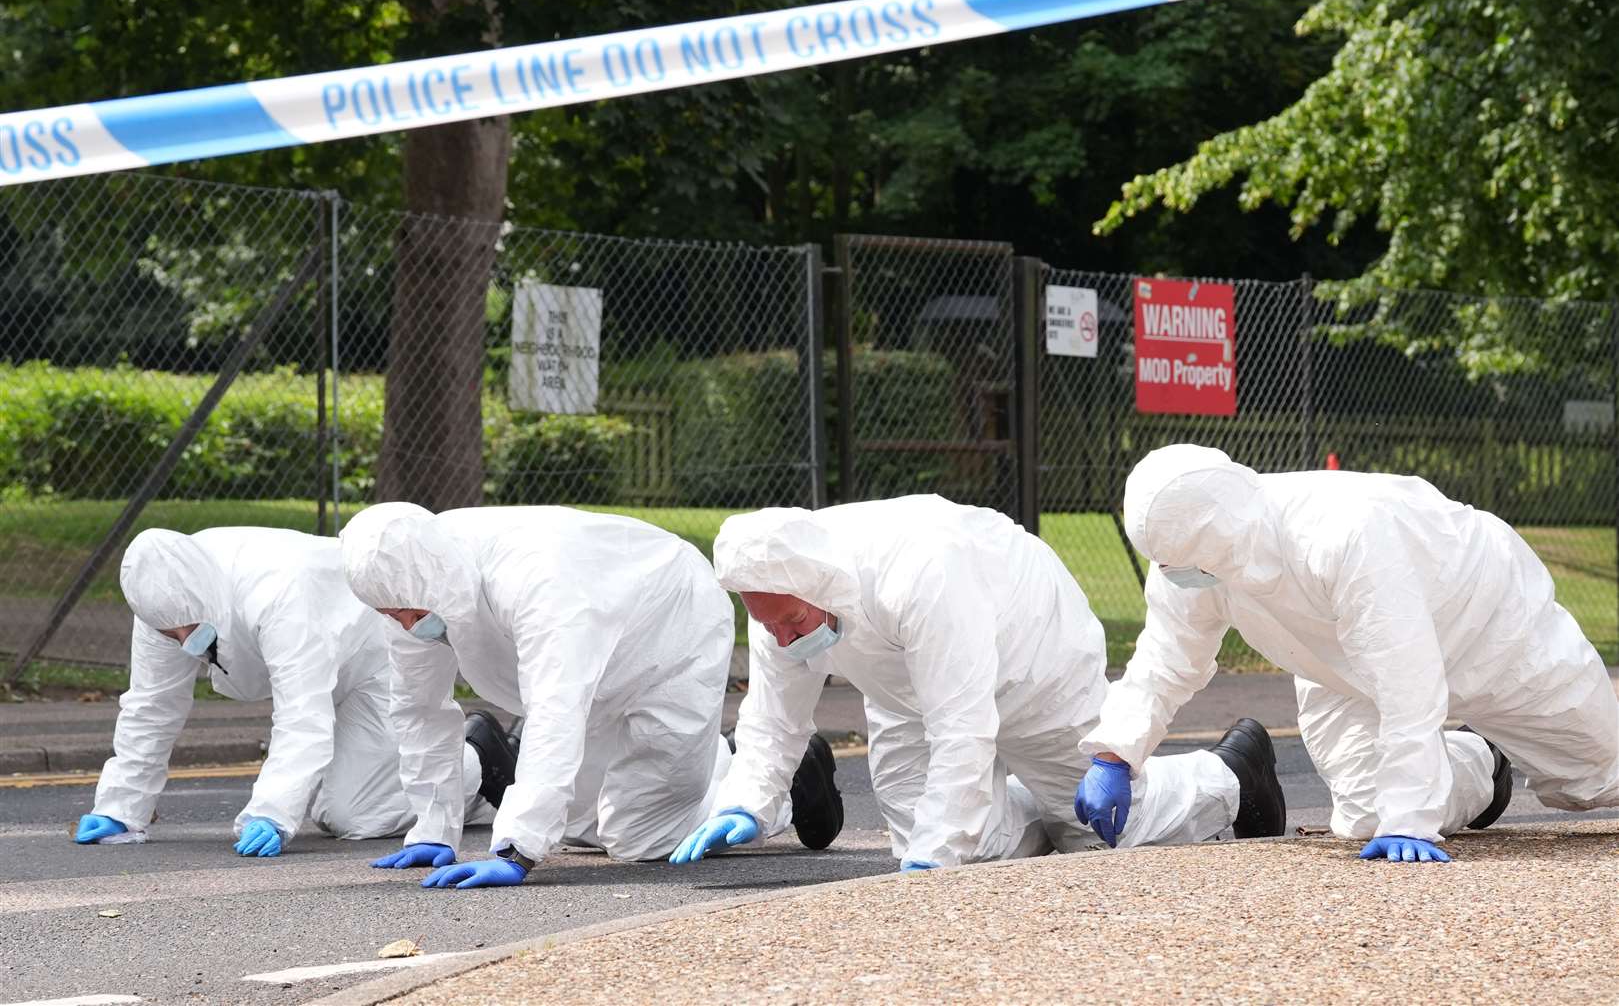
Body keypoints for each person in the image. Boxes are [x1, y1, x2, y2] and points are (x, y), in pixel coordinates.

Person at [669, 496, 1285, 871]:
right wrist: (745, 800)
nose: (782, 640)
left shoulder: (923, 573)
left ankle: (1233, 770)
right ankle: (1042, 810)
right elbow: (776, 718)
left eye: (792, 622)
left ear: (821, 586)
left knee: (1105, 833)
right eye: (768, 624)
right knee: (942, 840)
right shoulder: (782, 590)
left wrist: (940, 849)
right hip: (906, 687)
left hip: (1034, 659)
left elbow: (961, 726)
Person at [1081, 443, 1619, 864]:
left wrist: (1411, 818)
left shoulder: (1343, 531)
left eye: (1180, 560)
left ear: (1220, 535)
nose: (1173, 573)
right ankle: (1484, 762)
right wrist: (1115, 753)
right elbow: (1166, 659)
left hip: (1494, 628)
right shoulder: (1193, 557)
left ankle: (1456, 766)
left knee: (1597, 780)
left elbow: (1406, 673)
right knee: (1366, 815)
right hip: (1339, 666)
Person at [340, 502, 843, 889]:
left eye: (409, 610)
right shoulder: (406, 577)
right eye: (392, 616)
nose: (407, 625)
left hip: (670, 634)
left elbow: (556, 707)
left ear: (432, 579)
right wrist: (434, 825)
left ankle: (783, 787)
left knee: (641, 839)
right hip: (592, 662)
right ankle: (718, 759)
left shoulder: (540, 578)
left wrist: (514, 853)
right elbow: (418, 708)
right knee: (582, 826)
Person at [74, 527, 503, 857]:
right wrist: (121, 806)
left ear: (213, 596)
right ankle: (478, 798)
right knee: (342, 807)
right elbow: (152, 704)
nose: (185, 640)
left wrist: (272, 813)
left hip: (368, 657)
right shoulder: (158, 604)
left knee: (348, 816)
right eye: (172, 634)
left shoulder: (279, 592)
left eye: (192, 627)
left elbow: (302, 714)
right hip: (319, 664)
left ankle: (480, 757)